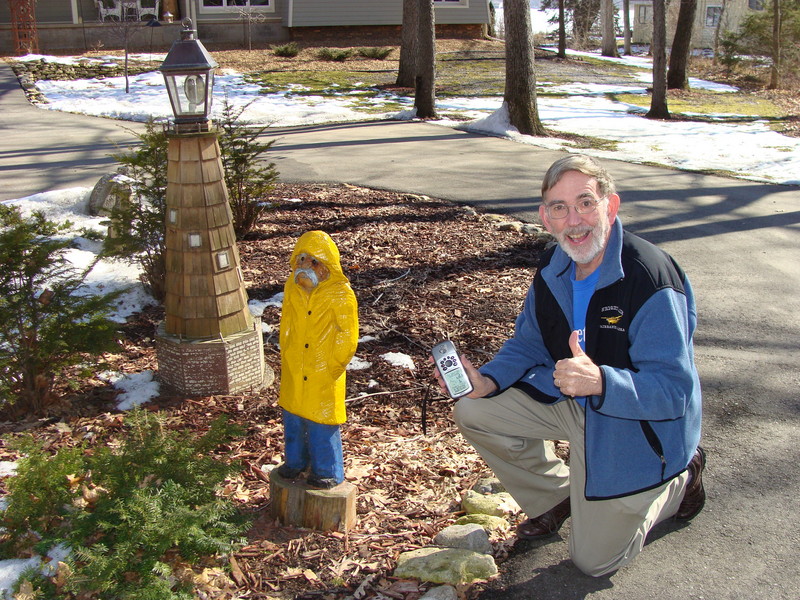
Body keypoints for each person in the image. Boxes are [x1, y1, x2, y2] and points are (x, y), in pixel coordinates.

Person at [435, 155, 705, 577]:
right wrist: (488, 380)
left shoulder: (649, 277)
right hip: (574, 402)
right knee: (473, 410)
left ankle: (679, 481)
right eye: (559, 207)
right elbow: (528, 342)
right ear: (545, 217)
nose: (573, 220)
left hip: (635, 421)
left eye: (584, 202)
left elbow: (674, 391)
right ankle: (558, 496)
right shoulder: (553, 267)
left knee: (594, 562)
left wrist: (602, 381)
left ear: (610, 207)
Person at [277, 230, 359, 489]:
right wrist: (286, 351)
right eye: (301, 260)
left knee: (321, 423)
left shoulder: (341, 294)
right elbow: (286, 321)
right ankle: (295, 462)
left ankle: (327, 470)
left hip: (323, 371)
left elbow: (348, 335)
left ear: (327, 266)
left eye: (314, 262)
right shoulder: (293, 287)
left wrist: (333, 365)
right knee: (293, 419)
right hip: (295, 365)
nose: (305, 267)